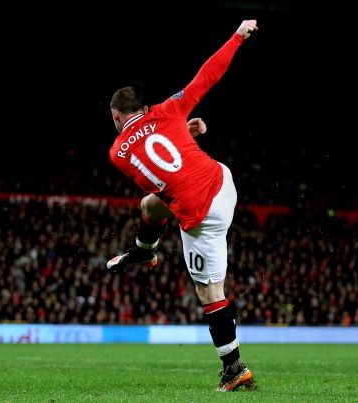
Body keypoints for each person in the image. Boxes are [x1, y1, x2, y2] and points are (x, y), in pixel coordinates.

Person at [106, 20, 259, 392]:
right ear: (143, 107)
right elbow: (207, 76)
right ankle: (144, 252)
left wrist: (181, 136)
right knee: (151, 205)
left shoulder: (117, 152)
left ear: (115, 118)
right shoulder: (168, 109)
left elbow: (162, 176)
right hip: (224, 183)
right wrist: (237, 36)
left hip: (202, 217)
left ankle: (235, 369)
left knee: (211, 294)